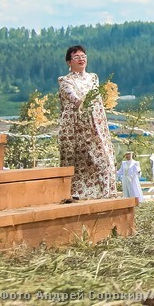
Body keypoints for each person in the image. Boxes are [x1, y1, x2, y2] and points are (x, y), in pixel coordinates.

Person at [57, 45, 116, 200]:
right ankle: (75, 194)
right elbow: (76, 100)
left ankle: (103, 193)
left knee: (102, 158)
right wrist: (85, 102)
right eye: (76, 57)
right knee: (77, 161)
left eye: (83, 56)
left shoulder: (93, 77)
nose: (81, 59)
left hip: (95, 125)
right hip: (75, 128)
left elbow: (96, 100)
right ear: (69, 62)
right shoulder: (65, 81)